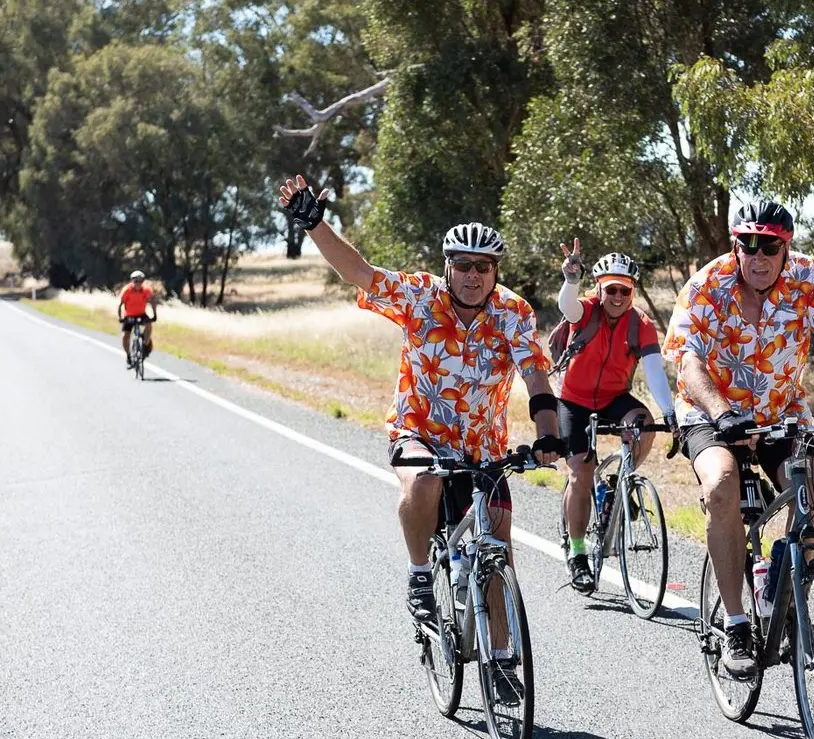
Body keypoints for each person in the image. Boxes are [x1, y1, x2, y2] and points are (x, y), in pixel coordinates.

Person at [278, 173, 563, 701]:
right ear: (447, 266)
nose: (473, 276)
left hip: (481, 448)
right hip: (418, 432)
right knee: (425, 481)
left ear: (495, 272)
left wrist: (549, 435)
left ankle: (502, 662)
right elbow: (360, 272)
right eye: (463, 265)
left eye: (483, 267)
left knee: (498, 548)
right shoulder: (420, 296)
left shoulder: (514, 313)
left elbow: (535, 377)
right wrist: (315, 224)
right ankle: (418, 575)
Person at [662, 200, 814, 679]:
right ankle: (736, 625)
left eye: (770, 246)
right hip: (711, 411)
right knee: (721, 486)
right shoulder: (707, 284)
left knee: (811, 485)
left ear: (786, 248)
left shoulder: (810, 278)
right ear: (736, 246)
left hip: (779, 412)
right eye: (748, 245)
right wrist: (723, 414)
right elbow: (689, 361)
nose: (758, 256)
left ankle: (785, 587)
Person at [554, 240, 677, 593]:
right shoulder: (585, 311)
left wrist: (670, 413)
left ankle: (617, 483)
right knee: (581, 475)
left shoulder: (641, 324)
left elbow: (654, 372)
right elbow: (567, 306)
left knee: (644, 425)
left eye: (625, 290)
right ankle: (578, 552)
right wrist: (571, 280)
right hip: (574, 400)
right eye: (611, 290)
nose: (618, 297)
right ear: (599, 289)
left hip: (613, 398)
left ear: (633, 292)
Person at [117, 270, 156, 367]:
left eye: (140, 281)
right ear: (132, 281)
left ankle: (145, 345)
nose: (138, 283)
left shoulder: (146, 290)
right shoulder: (127, 290)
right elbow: (120, 304)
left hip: (141, 314)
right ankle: (128, 355)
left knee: (149, 325)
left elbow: (152, 302)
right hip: (129, 315)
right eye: (136, 281)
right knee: (125, 335)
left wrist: (154, 315)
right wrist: (120, 317)